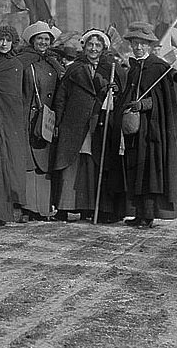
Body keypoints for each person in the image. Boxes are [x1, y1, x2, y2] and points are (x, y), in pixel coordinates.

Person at [52, 29, 128, 223]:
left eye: (98, 45)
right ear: (84, 46)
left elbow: (120, 96)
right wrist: (58, 122)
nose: (93, 49)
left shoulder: (111, 68)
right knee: (71, 162)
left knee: (92, 164)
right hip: (74, 122)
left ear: (103, 49)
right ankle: (65, 207)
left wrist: (114, 90)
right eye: (90, 45)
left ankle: (88, 207)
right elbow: (61, 97)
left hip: (97, 123)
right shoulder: (74, 69)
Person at [118, 21, 177, 228]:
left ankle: (148, 215)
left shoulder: (158, 67)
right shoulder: (133, 68)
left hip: (152, 130)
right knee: (136, 169)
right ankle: (139, 213)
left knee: (149, 171)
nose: (138, 48)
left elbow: (165, 101)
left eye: (143, 44)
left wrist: (144, 104)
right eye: (135, 44)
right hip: (134, 129)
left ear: (150, 46)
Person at [16, 21, 64, 220]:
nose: (43, 42)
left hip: (47, 118)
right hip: (28, 116)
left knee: (44, 161)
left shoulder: (54, 63)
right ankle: (28, 207)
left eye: (46, 39)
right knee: (29, 162)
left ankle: (43, 208)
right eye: (40, 39)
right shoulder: (23, 61)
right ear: (32, 41)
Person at [0, 25, 28, 225]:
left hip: (11, 117)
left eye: (8, 40)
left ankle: (11, 207)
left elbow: (18, 94)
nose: (4, 44)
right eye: (1, 39)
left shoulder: (16, 64)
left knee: (10, 160)